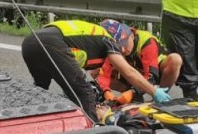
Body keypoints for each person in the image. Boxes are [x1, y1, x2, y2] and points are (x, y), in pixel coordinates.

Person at [21, 19, 172, 120]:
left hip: (30, 42)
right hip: (51, 43)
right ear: (117, 39)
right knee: (85, 93)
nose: (123, 49)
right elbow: (128, 71)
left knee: (40, 91)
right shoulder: (108, 39)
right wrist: (154, 91)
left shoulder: (90, 37)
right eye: (121, 45)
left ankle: (27, 122)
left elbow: (77, 72)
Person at [96, 19, 183, 105]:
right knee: (95, 71)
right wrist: (106, 92)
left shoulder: (147, 41)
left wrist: (133, 92)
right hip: (134, 75)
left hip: (154, 74)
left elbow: (151, 77)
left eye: (124, 43)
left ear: (132, 36)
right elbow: (103, 75)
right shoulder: (113, 47)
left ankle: (160, 98)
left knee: (175, 60)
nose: (122, 49)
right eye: (118, 46)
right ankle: (135, 99)